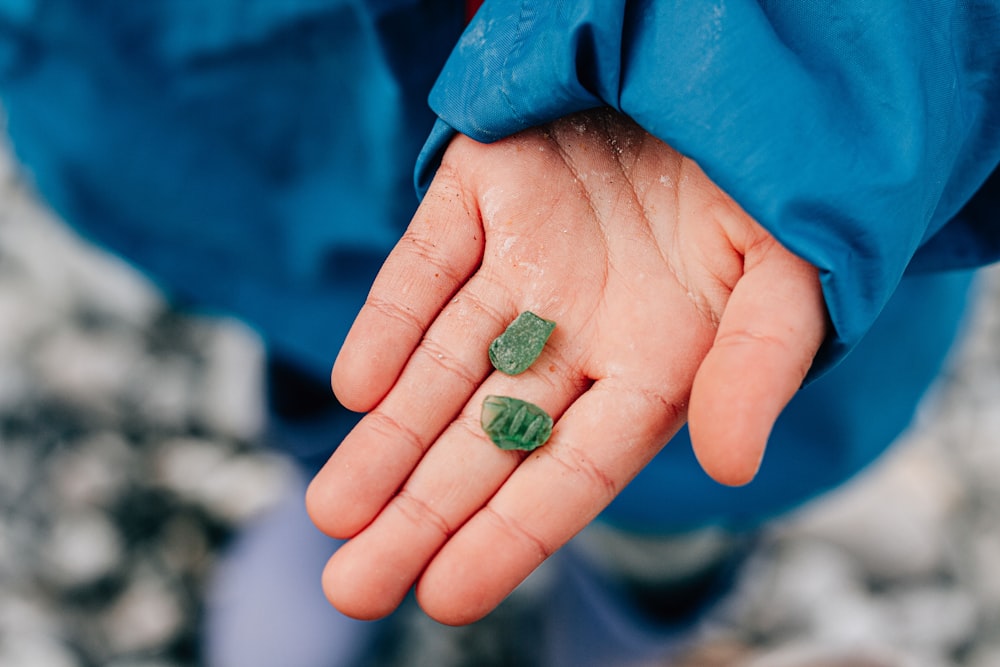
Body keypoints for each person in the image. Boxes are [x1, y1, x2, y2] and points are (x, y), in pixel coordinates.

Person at [0, 1, 998, 665]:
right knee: (340, 324)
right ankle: (338, 488)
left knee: (681, 429)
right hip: (223, 73)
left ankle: (635, 593)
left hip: (738, 146)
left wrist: (780, 60)